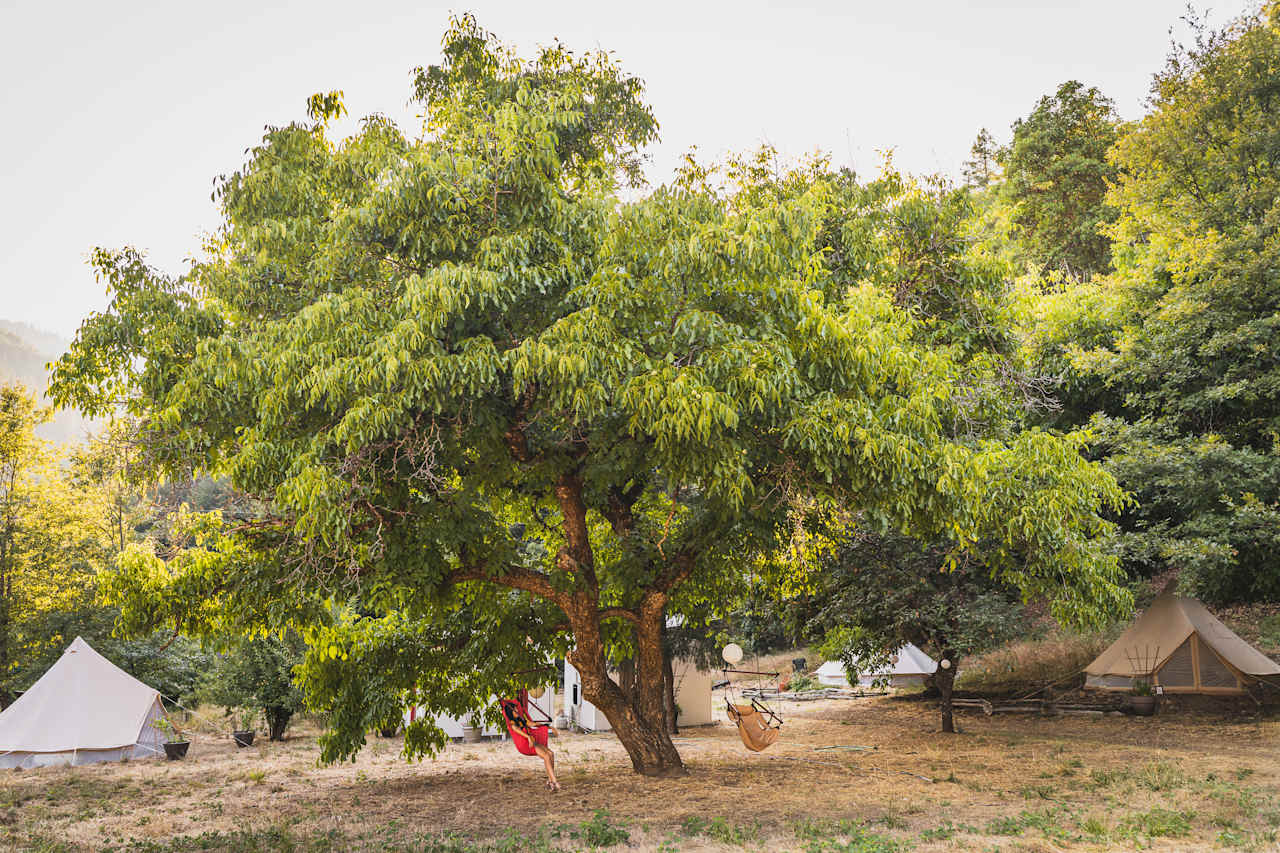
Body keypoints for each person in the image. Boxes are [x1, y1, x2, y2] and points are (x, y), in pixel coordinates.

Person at [499, 697, 559, 791]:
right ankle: (554, 782)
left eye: (516, 709)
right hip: (525, 744)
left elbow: (533, 724)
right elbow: (516, 730)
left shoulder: (521, 720)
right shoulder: (512, 724)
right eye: (515, 710)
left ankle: (550, 781)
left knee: (551, 754)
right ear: (511, 713)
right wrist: (527, 737)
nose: (517, 710)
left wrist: (549, 727)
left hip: (533, 741)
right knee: (546, 756)